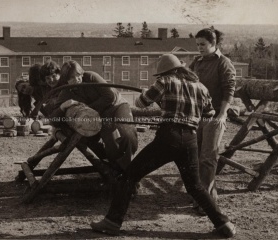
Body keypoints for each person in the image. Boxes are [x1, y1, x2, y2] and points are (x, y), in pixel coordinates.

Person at [90, 54, 236, 238]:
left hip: (168, 137)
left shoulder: (164, 82)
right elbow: (209, 115)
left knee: (128, 177)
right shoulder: (201, 88)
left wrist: (155, 96)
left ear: (166, 72)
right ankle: (224, 224)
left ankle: (112, 222)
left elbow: (141, 103)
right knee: (195, 186)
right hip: (189, 139)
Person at [54, 60, 138, 173]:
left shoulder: (91, 76)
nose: (77, 80)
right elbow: (53, 117)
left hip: (117, 105)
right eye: (72, 78)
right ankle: (117, 168)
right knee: (110, 139)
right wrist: (63, 106)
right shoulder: (65, 92)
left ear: (82, 73)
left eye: (78, 75)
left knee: (127, 133)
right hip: (100, 114)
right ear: (65, 79)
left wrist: (88, 108)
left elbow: (110, 96)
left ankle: (128, 168)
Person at [189, 27, 236, 212]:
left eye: (203, 44)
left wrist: (222, 115)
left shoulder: (223, 63)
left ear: (213, 44)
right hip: (196, 116)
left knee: (208, 158)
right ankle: (201, 196)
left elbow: (229, 90)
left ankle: (207, 203)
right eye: (197, 44)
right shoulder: (197, 62)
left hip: (214, 116)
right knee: (197, 156)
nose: (199, 48)